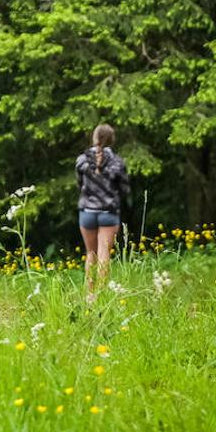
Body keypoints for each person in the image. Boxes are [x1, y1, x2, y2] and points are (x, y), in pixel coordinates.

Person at [75, 123, 131, 302]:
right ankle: (102, 293)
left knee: (90, 253)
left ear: (94, 137)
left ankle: (89, 294)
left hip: (87, 212)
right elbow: (125, 189)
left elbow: (79, 184)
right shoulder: (117, 162)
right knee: (104, 253)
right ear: (112, 140)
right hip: (108, 212)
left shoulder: (82, 160)